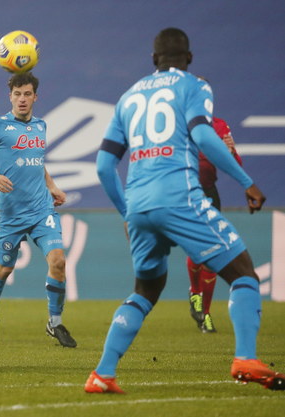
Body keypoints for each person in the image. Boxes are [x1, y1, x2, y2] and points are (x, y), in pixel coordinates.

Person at [85, 27, 285, 393]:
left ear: (153, 60)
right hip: (180, 197)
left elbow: (103, 166)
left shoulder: (128, 98)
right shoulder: (194, 85)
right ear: (189, 59)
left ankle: (103, 373)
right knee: (243, 274)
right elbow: (204, 136)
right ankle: (244, 357)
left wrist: (127, 212)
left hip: (139, 203)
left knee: (145, 290)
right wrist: (246, 181)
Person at [0, 72, 76, 348]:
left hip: (42, 209)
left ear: (35, 97)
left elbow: (36, 162)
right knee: (4, 269)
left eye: (27, 94)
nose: (22, 99)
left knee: (58, 261)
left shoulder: (41, 126)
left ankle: (54, 323)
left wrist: (52, 186)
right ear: (10, 97)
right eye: (17, 94)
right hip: (11, 215)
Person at [187, 115, 242, 333]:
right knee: (196, 247)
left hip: (209, 192)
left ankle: (205, 314)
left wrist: (229, 152)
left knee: (213, 250)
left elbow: (236, 162)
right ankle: (195, 292)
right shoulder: (179, 122)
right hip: (186, 193)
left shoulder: (220, 125)